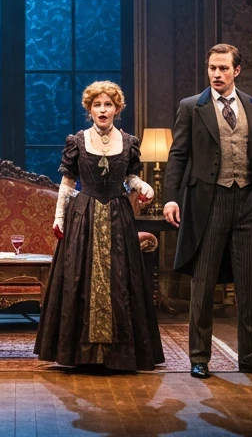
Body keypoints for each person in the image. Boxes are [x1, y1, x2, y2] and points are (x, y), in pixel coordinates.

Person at [162, 43, 252, 379]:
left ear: (237, 70)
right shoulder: (192, 107)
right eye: (212, 68)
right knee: (203, 284)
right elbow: (178, 155)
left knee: (248, 285)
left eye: (223, 68)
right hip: (209, 202)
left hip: (246, 203)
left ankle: (251, 358)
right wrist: (171, 198)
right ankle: (199, 357)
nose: (216, 74)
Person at [35, 81, 165, 371]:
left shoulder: (129, 142)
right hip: (84, 216)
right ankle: (81, 354)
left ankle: (119, 354)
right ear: (89, 109)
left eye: (108, 105)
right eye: (97, 105)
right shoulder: (78, 141)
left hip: (119, 216)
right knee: (79, 279)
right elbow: (68, 183)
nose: (103, 110)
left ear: (117, 109)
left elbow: (130, 178)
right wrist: (58, 217)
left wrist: (142, 185)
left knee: (121, 279)